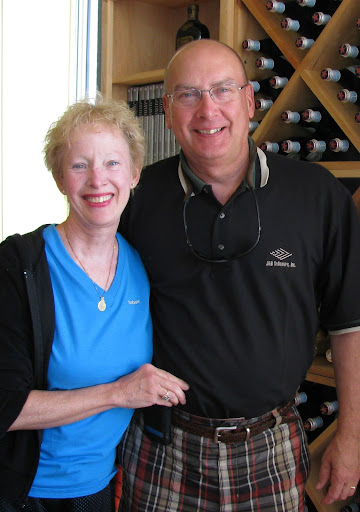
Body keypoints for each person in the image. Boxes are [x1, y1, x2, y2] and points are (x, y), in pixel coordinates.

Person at [118, 39, 360, 511]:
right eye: (187, 95)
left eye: (222, 90)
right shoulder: (135, 199)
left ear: (250, 100)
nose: (207, 110)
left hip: (271, 446)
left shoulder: (317, 196)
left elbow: (349, 325)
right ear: (168, 112)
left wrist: (350, 436)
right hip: (161, 445)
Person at [0, 95, 188, 512]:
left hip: (101, 487)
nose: (97, 180)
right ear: (59, 177)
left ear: (135, 173)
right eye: (79, 164)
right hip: (24, 492)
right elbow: (5, 407)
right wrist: (118, 393)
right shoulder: (19, 266)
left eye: (112, 163)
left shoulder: (141, 264)